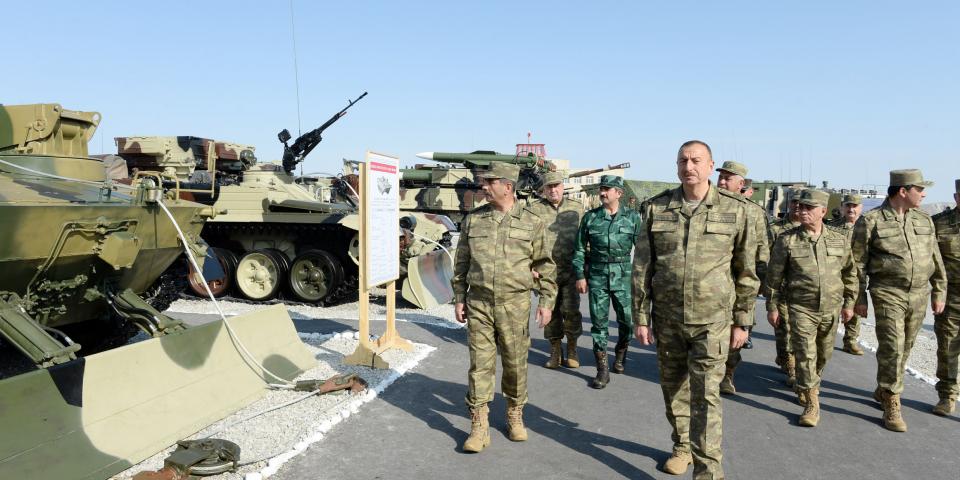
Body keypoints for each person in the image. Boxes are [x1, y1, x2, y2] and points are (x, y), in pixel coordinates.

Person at [633, 140, 759, 478]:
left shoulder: (736, 210)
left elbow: (746, 272)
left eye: (696, 160)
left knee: (706, 396)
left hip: (713, 321)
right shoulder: (656, 209)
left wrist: (742, 321)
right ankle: (682, 445)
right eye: (683, 160)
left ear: (710, 165)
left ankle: (708, 470)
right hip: (668, 319)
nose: (689, 166)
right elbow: (643, 267)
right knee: (673, 390)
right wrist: (641, 317)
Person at [451, 161, 557, 453]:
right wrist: (459, 297)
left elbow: (545, 265)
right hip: (480, 303)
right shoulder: (474, 220)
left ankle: (514, 413)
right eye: (484, 182)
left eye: (490, 182)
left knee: (514, 363)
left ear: (508, 186)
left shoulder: (533, 220)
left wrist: (547, 302)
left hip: (515, 304)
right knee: (480, 365)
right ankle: (479, 424)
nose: (484, 186)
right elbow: (461, 263)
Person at [851, 169, 946, 432]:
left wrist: (939, 291)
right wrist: (859, 298)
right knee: (893, 345)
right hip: (887, 292)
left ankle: (884, 387)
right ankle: (893, 401)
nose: (924, 193)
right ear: (903, 191)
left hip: (919, 294)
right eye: (920, 188)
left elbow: (935, 258)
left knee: (905, 348)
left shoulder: (925, 221)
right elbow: (856, 264)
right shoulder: (870, 221)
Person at [766, 189, 858, 427]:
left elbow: (850, 274)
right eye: (801, 207)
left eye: (809, 208)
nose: (803, 211)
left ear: (823, 212)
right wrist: (773, 307)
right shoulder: (787, 240)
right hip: (800, 307)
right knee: (805, 354)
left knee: (823, 353)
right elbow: (774, 278)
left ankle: (809, 383)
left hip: (831, 307)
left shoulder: (839, 239)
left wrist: (850, 303)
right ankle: (812, 402)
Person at [572, 175, 641, 389]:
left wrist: (643, 280)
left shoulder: (632, 218)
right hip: (598, 275)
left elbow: (643, 252)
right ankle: (602, 369)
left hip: (623, 275)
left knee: (627, 322)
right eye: (602, 188)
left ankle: (620, 356)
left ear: (618, 193)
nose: (602, 193)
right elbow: (580, 249)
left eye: (607, 189)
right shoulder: (590, 218)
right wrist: (580, 275)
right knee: (599, 324)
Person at [715, 161, 770, 394]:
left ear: (741, 183)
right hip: (712, 282)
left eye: (728, 178)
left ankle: (727, 373)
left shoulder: (753, 212)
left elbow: (762, 251)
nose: (722, 182)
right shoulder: (709, 205)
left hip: (738, 281)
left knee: (733, 332)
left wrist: (760, 282)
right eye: (721, 177)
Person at [528, 171, 585, 369]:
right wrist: (531, 266)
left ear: (563, 186)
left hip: (570, 271)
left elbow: (584, 242)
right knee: (549, 312)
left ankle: (571, 349)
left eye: (556, 185)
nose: (553, 190)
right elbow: (526, 241)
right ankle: (555, 351)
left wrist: (583, 272)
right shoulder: (533, 210)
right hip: (546, 272)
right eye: (549, 187)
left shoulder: (577, 209)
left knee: (571, 312)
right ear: (543, 190)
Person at [768, 188, 805, 386]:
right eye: (794, 202)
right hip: (781, 289)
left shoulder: (815, 230)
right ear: (788, 204)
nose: (798, 206)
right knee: (785, 328)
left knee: (801, 332)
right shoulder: (775, 229)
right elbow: (764, 257)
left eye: (802, 203)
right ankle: (790, 364)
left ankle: (787, 358)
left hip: (804, 291)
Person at [931, 178, 960, 416]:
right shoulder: (939, 224)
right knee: (948, 348)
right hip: (951, 298)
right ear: (956, 197)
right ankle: (947, 396)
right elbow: (929, 261)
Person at [826, 193, 866, 355]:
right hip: (836, 272)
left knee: (855, 305)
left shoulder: (867, 226)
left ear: (860, 208)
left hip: (857, 272)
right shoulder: (831, 227)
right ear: (842, 207)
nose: (851, 209)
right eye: (848, 206)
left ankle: (850, 340)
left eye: (854, 206)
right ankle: (826, 336)